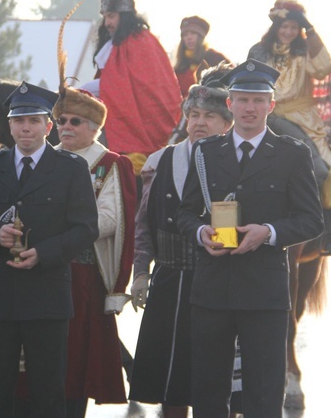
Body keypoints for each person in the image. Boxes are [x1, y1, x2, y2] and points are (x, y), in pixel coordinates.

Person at [177, 59, 323, 418]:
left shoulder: (292, 153)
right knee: (209, 392)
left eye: (258, 100)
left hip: (265, 292)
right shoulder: (206, 152)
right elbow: (183, 214)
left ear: (271, 106)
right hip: (212, 289)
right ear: (230, 104)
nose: (250, 108)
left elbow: (311, 220)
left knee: (263, 393)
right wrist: (200, 232)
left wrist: (268, 233)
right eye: (242, 99)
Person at [0, 82, 99, 418]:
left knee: (48, 392)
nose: (26, 128)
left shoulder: (70, 168)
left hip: (46, 295)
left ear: (48, 126)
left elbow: (86, 228)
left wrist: (45, 253)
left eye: (34, 121)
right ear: (9, 125)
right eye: (19, 120)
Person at [130, 63, 234, 417]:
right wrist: (141, 272)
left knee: (220, 382)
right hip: (171, 282)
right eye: (193, 114)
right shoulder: (162, 160)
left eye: (209, 116)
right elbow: (144, 224)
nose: (199, 122)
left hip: (221, 281)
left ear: (227, 123)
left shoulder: (238, 162)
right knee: (171, 385)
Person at [51, 85, 136, 416]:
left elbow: (113, 220)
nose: (66, 127)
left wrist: (62, 229)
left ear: (94, 127)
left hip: (83, 275)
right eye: (60, 120)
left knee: (76, 364)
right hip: (41, 273)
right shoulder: (45, 158)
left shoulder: (109, 164)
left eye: (75, 121)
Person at [249, 0, 331, 255]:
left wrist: (313, 33)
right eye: (284, 26)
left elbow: (324, 68)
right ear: (276, 26)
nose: (288, 32)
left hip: (301, 118)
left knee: (324, 168)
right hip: (264, 114)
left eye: (294, 28)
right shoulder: (258, 51)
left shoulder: (305, 50)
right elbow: (250, 82)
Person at [82, 0, 181, 175]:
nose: (107, 23)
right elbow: (113, 82)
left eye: (111, 16)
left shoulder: (140, 41)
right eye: (105, 17)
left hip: (144, 123)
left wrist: (81, 92)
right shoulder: (122, 42)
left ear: (124, 15)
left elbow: (126, 86)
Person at [174, 16, 229, 97]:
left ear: (201, 36)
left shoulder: (215, 58)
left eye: (193, 33)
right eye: (185, 35)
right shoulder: (180, 66)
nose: (189, 37)